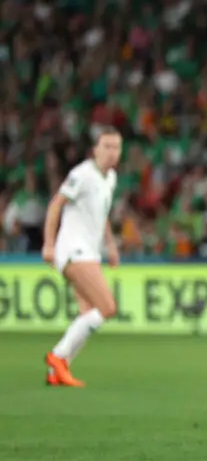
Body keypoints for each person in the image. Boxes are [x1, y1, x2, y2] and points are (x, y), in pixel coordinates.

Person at [41, 127, 123, 387]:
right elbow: (56, 204)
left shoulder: (110, 178)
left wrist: (110, 245)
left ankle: (57, 371)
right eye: (106, 146)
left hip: (90, 252)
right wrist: (48, 244)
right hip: (73, 250)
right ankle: (57, 355)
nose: (112, 152)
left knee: (87, 313)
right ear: (95, 150)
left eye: (116, 147)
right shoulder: (82, 174)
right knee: (107, 308)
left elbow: (102, 215)